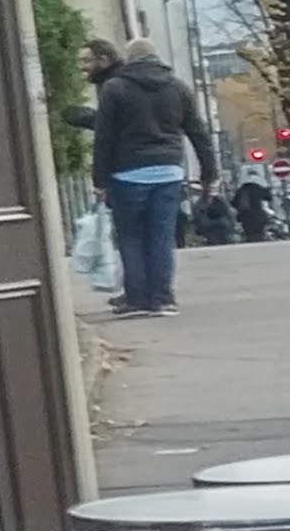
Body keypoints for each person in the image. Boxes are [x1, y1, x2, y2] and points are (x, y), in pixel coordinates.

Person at [74, 35, 215, 320]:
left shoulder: (115, 88)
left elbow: (104, 139)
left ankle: (137, 298)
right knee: (161, 236)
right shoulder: (178, 87)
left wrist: (99, 181)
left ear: (129, 59)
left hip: (127, 173)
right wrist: (209, 174)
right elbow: (198, 133)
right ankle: (163, 299)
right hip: (168, 171)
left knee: (131, 236)